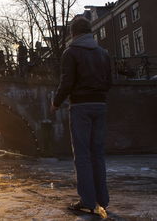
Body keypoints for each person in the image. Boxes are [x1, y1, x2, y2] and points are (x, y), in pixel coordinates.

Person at [51, 17, 111, 213]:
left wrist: (56, 102)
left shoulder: (71, 52)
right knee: (98, 154)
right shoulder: (103, 53)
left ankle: (87, 200)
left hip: (81, 107)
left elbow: (67, 82)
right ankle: (103, 199)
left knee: (83, 155)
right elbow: (109, 81)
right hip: (100, 105)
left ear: (73, 33)